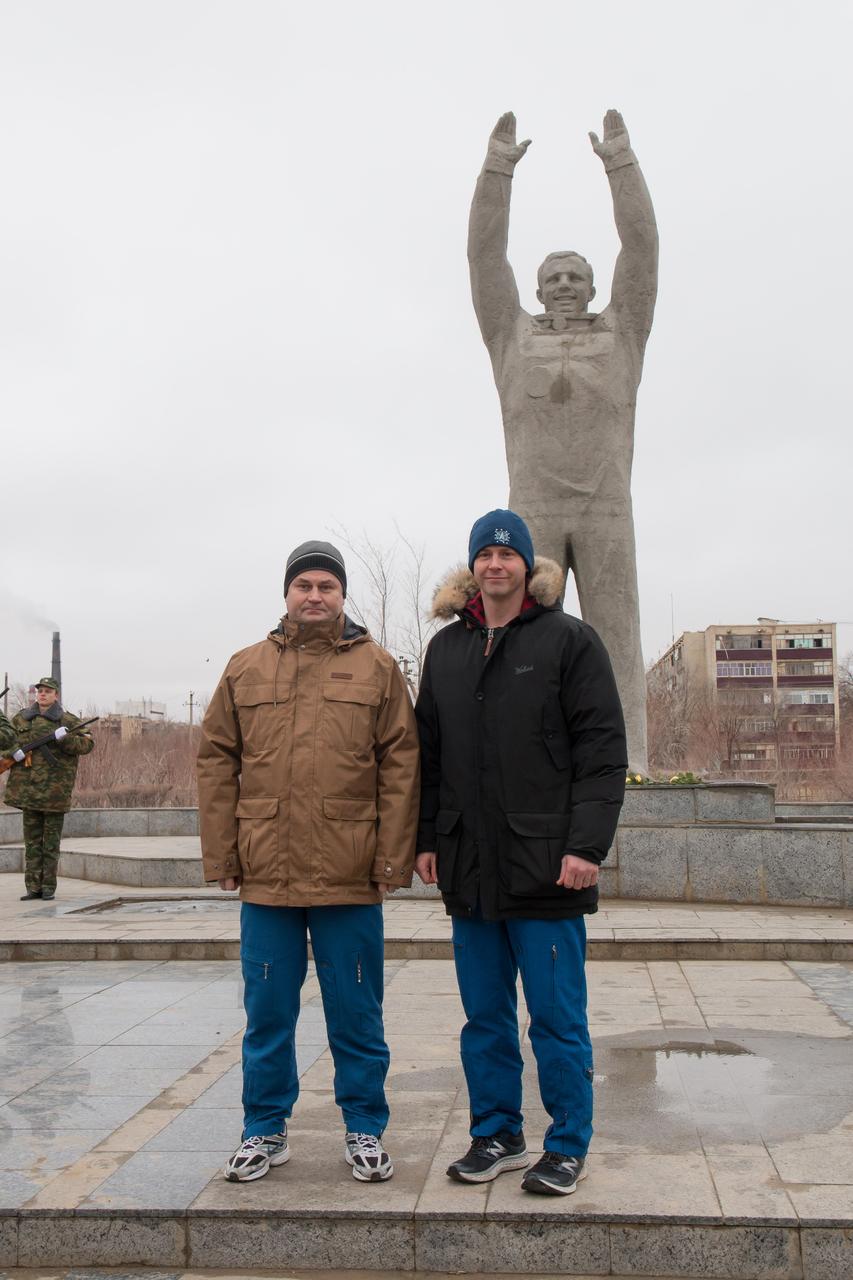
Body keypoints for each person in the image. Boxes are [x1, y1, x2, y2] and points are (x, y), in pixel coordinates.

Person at [415, 510, 627, 1195]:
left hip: (547, 870)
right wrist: (425, 839)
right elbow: (429, 756)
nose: (495, 565)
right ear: (472, 567)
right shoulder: (445, 650)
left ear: (526, 567)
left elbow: (601, 754)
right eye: (485, 555)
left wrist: (586, 845)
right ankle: (497, 1132)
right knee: (483, 1018)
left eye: (508, 555)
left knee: (557, 1019)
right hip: (469, 869)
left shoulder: (569, 641)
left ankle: (565, 1143)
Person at [198, 540, 419, 1185]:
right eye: (304, 586)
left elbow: (402, 766)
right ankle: (263, 1129)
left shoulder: (378, 669)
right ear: (287, 593)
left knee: (356, 1011)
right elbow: (215, 761)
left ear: (342, 595)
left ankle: (365, 1128)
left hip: (350, 875)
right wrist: (224, 855)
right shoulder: (246, 668)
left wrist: (391, 860)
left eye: (327, 585)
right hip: (267, 875)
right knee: (267, 1012)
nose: (315, 596)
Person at [467, 110, 658, 773]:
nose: (564, 284)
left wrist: (620, 164)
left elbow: (642, 251)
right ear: (538, 288)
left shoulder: (622, 330)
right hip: (532, 517)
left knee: (615, 643)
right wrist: (497, 170)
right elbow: (483, 257)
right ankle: (524, 760)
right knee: (524, 645)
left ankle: (626, 763)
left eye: (576, 275)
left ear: (595, 286)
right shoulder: (510, 336)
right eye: (553, 277)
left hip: (606, 509)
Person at [4, 677, 95, 901]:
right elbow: (6, 740)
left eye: (47, 691)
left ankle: (48, 888)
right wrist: (12, 753)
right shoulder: (22, 718)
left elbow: (87, 745)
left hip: (54, 792)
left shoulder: (68, 720)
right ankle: (32, 887)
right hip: (28, 790)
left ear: (56, 695)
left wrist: (64, 740)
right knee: (32, 843)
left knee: (50, 843)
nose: (42, 694)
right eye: (40, 691)